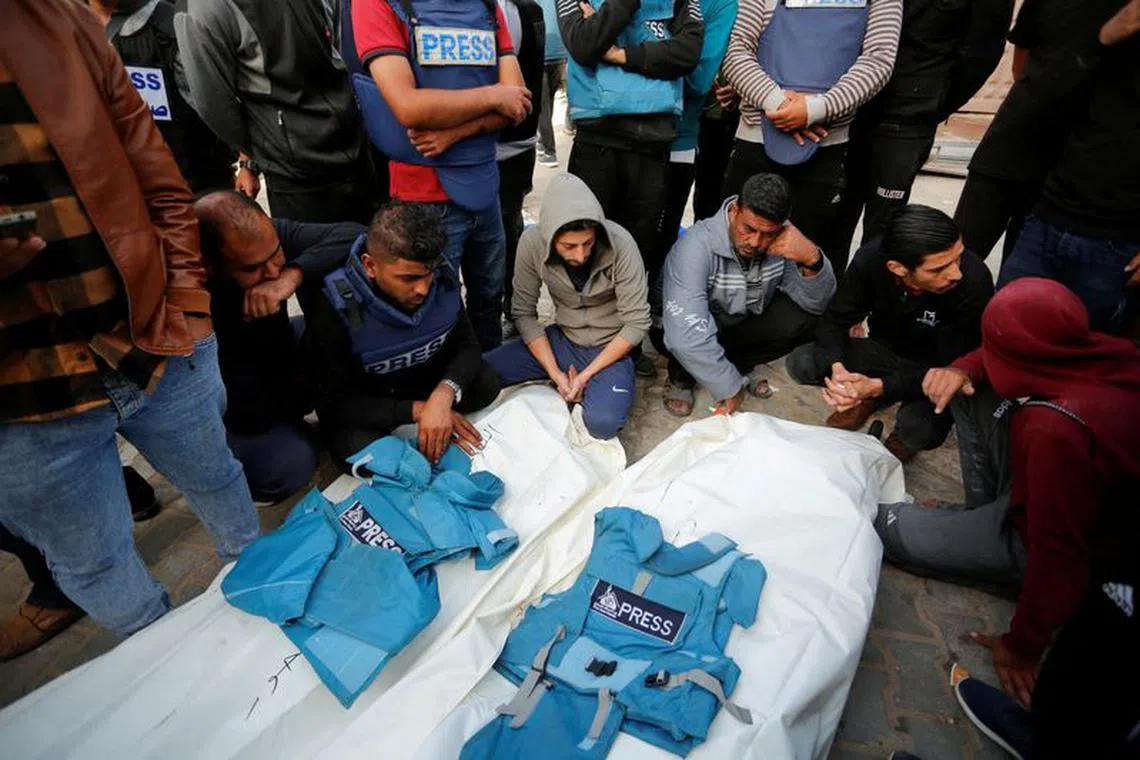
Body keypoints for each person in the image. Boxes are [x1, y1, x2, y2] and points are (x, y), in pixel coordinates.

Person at [0, 0, 258, 649]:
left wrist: (186, 302)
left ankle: (264, 594)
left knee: (220, 476)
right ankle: (169, 667)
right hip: (21, 401)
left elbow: (159, 177)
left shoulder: (58, 21)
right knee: (93, 562)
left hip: (152, 336)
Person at [875, 279, 1140, 709]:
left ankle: (995, 560)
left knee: (892, 528)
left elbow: (1059, 553)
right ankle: (979, 522)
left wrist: (1022, 647)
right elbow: (987, 358)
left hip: (1050, 541)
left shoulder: (1053, 429)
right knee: (959, 384)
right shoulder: (1112, 353)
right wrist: (962, 366)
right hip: (1052, 493)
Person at [352, 0, 532, 351]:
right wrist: (493, 95)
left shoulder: (485, 6)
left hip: (484, 184)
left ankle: (487, 382)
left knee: (488, 301)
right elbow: (408, 106)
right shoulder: (377, 4)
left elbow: (519, 103)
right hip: (421, 198)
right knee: (431, 308)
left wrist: (456, 131)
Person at [787, 205, 993, 462]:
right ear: (898, 269)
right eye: (938, 269)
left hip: (935, 370)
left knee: (921, 429)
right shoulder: (872, 259)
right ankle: (867, 400)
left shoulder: (974, 282)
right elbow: (835, 319)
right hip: (883, 351)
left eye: (958, 257)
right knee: (805, 362)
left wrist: (879, 388)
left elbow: (952, 370)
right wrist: (840, 372)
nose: (956, 273)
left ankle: (901, 439)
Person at [195, 191, 364, 501]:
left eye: (275, 255)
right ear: (209, 265)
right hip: (233, 403)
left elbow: (355, 234)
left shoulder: (261, 237)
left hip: (279, 359)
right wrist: (308, 392)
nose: (272, 272)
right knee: (290, 465)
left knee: (345, 333)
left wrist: (292, 276)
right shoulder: (187, 293)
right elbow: (243, 406)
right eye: (253, 269)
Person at [306, 201, 502, 468]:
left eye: (427, 274)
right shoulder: (335, 306)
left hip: (422, 382)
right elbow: (332, 403)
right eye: (408, 279)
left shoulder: (442, 278)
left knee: (486, 383)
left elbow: (468, 346)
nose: (423, 289)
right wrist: (420, 411)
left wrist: (444, 395)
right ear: (370, 266)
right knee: (371, 458)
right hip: (370, 403)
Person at [721, 0, 902, 273]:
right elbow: (735, 51)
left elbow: (879, 60)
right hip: (756, 136)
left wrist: (816, 109)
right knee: (735, 253)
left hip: (829, 145)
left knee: (812, 259)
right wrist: (780, 105)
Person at [558, 0, 703, 336]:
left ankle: (627, 343)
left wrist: (620, 55)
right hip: (597, 142)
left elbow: (686, 53)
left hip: (653, 144)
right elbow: (583, 44)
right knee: (585, 246)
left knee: (637, 253)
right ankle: (581, 337)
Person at [997, 4, 1140, 335]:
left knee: (1086, 361)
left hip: (1118, 242)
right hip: (1051, 214)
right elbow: (1044, 94)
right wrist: (1106, 36)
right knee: (1005, 333)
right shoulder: (1102, 30)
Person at [832, 0, 1014, 257]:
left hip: (907, 119)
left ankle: (873, 295)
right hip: (845, 106)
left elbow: (980, 56)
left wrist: (932, 104)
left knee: (883, 235)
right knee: (831, 219)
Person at [177, 0, 380, 224]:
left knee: (377, 245)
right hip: (297, 170)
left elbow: (335, 40)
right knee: (323, 253)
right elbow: (213, 103)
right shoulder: (201, 9)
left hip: (356, 143)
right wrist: (256, 149)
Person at [952, 0, 1125, 261]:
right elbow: (1021, 59)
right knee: (956, 258)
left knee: (1024, 283)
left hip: (1076, 169)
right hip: (1011, 143)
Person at [485, 173, 650, 439]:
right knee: (482, 373)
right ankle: (563, 382)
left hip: (610, 349)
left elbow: (637, 323)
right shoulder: (532, 243)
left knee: (603, 424)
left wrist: (583, 377)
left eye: (588, 243)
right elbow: (523, 313)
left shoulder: (621, 243)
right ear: (550, 238)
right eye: (569, 246)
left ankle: (595, 384)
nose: (581, 254)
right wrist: (556, 373)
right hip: (563, 340)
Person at [661, 173, 835, 417]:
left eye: (768, 234)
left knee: (802, 320)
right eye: (748, 229)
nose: (756, 242)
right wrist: (730, 388)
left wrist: (813, 260)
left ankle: (739, 365)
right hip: (698, 323)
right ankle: (681, 378)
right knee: (686, 332)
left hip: (741, 319)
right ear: (734, 210)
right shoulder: (695, 246)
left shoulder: (783, 238)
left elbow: (817, 304)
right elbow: (684, 334)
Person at [89, 0, 236, 195]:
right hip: (112, 184)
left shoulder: (171, 26)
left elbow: (213, 108)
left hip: (188, 182)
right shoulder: (65, 28)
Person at [655, 0, 738, 275]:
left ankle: (658, 302)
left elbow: (698, 80)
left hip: (678, 136)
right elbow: (590, 44)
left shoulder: (718, 4)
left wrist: (625, 56)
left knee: (662, 238)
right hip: (610, 131)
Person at [496, 0, 546, 325]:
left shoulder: (518, 11)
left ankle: (513, 312)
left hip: (507, 144)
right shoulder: (528, 9)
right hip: (511, 143)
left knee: (504, 234)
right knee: (505, 232)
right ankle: (513, 312)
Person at [536, 0, 566, 167]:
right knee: (547, 101)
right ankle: (542, 143)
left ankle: (549, 151)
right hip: (559, 51)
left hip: (542, 51)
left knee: (542, 105)